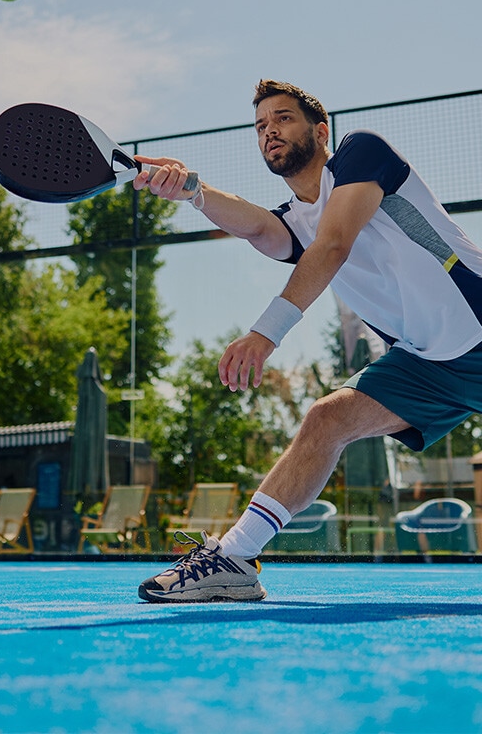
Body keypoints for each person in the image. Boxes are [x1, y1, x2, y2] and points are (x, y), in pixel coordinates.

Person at [135, 79, 482, 602]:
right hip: (424, 366)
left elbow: (335, 245)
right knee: (327, 417)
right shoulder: (296, 222)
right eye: (260, 126)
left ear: (321, 131)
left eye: (283, 118)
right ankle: (235, 558)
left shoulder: (363, 154)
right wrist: (193, 191)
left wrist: (264, 334)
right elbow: (258, 228)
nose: (269, 130)